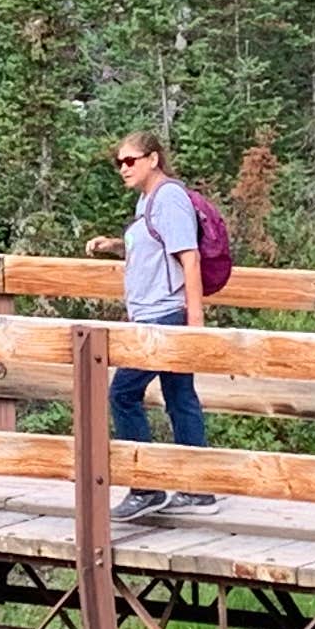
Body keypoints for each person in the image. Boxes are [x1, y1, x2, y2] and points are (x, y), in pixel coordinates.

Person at [107, 129, 212, 523]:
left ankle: (145, 485)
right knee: (180, 395)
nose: (123, 168)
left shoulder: (168, 198)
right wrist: (115, 246)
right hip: (158, 314)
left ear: (153, 159)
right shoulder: (148, 201)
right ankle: (198, 487)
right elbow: (155, 247)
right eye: (119, 162)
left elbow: (190, 258)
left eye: (130, 160)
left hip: (165, 316)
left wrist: (194, 322)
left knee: (122, 394)